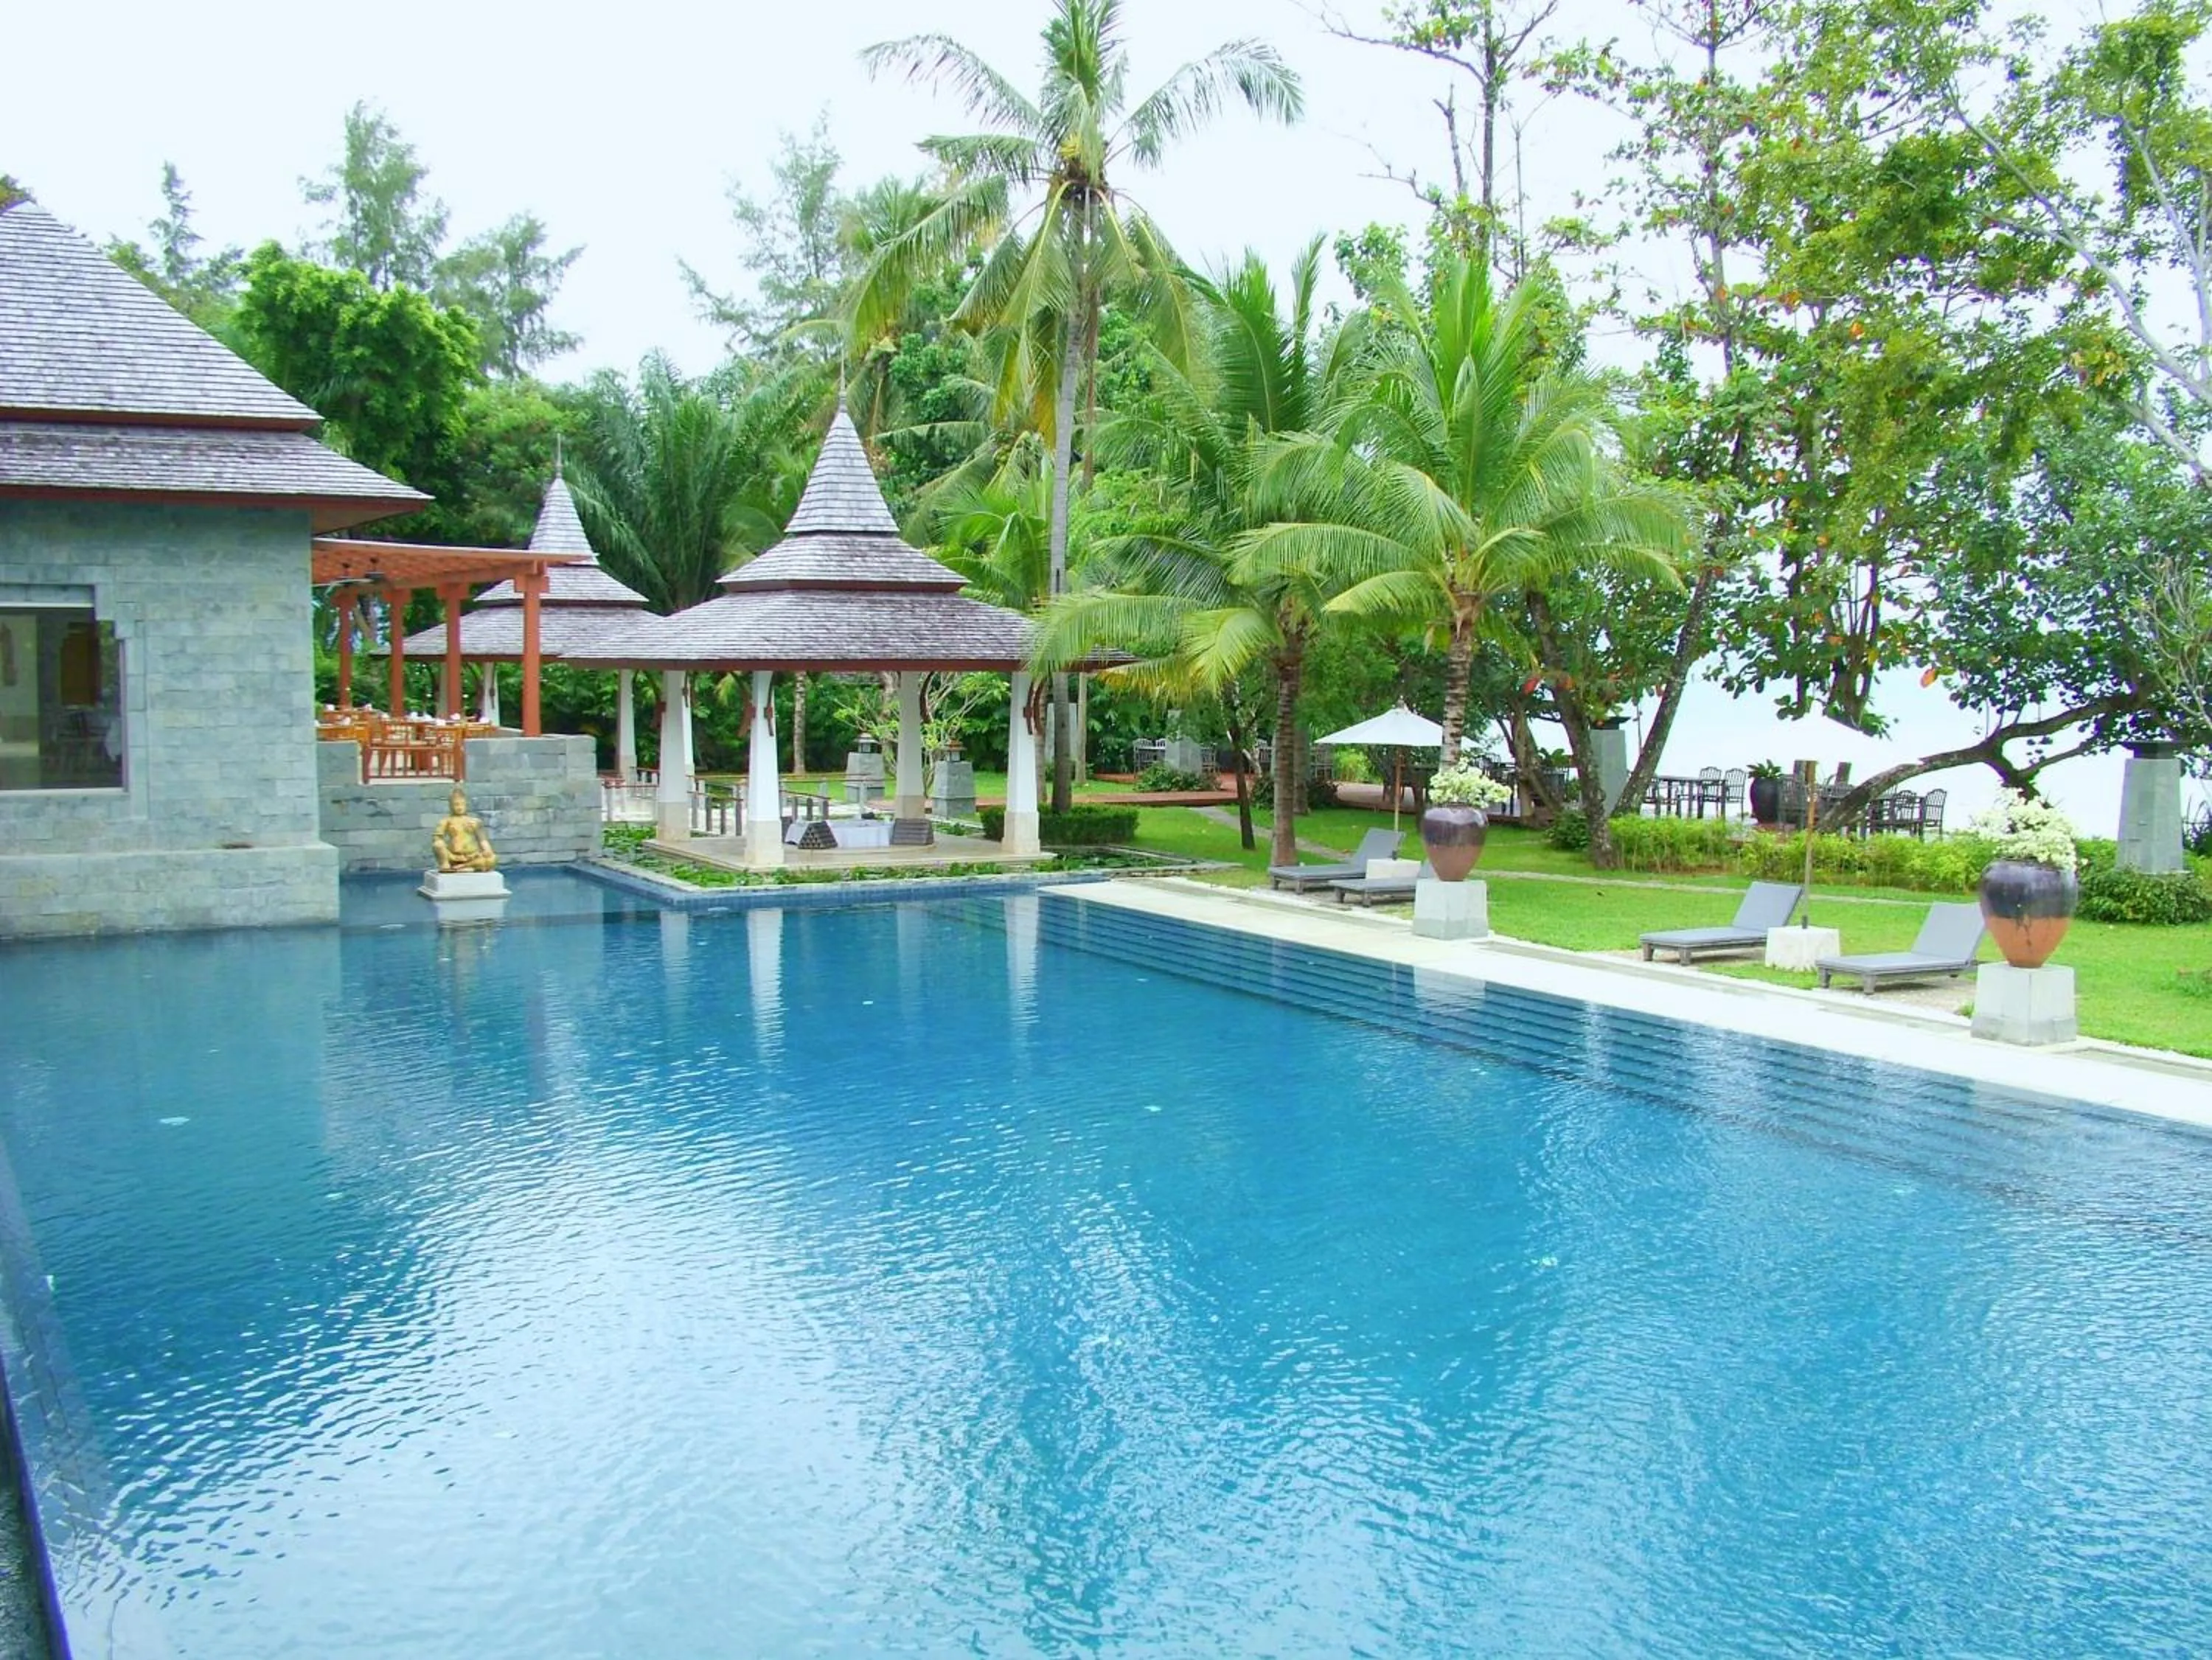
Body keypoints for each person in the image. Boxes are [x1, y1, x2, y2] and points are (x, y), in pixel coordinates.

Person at [433, 786, 497, 873]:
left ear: (466, 805)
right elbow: (437, 838)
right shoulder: (446, 821)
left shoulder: (475, 822)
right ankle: (446, 865)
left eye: (462, 804)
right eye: (456, 804)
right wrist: (441, 844)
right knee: (438, 844)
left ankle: (463, 866)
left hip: (472, 856)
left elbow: (482, 840)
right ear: (451, 806)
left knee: (492, 859)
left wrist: (487, 849)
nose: (460, 807)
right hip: (453, 855)